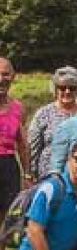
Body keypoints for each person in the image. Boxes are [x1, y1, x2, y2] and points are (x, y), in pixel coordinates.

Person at [26, 67, 77, 179]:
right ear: (55, 89)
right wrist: (30, 174)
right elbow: (33, 147)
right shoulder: (43, 113)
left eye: (72, 88)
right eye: (62, 88)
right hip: (48, 177)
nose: (67, 91)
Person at [0, 57, 29, 216]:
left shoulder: (18, 108)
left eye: (5, 74)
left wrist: (27, 174)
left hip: (9, 166)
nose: (1, 80)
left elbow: (23, 145)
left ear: (13, 76)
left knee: (8, 215)